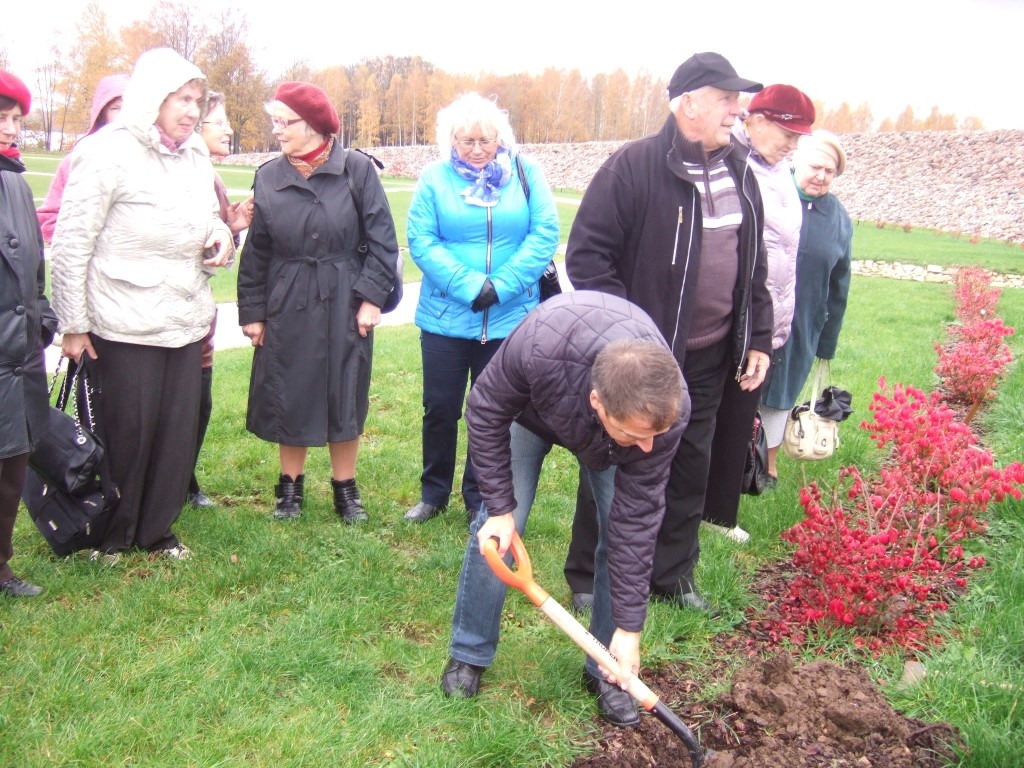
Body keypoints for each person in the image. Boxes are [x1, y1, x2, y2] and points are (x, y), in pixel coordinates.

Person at [563, 52, 771, 617]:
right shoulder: (631, 168)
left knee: (689, 464)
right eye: (726, 99)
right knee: (612, 458)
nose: (737, 109)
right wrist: (630, 336)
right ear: (688, 104)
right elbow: (587, 259)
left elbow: (753, 265)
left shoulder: (740, 170)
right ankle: (588, 571)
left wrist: (758, 334)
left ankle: (671, 574)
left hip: (708, 354)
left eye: (737, 100)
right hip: (643, 357)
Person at [441, 291, 688, 729]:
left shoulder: (664, 413)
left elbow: (636, 526)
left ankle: (609, 672)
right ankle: (469, 653)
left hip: (607, 425)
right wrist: (499, 507)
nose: (650, 448)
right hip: (532, 412)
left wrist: (630, 632)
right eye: (637, 434)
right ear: (598, 403)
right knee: (498, 530)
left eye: (656, 435)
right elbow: (484, 408)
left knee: (620, 534)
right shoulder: (540, 346)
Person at [50, 48, 235, 564]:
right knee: (126, 436)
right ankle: (113, 534)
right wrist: (72, 324)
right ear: (153, 97)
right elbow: (71, 243)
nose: (191, 111)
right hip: (122, 319)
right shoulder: (105, 152)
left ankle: (157, 532)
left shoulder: (195, 155)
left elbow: (209, 219)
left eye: (197, 100)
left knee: (175, 433)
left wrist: (220, 237)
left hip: (184, 316)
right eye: (181, 99)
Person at [238, 82, 400, 524]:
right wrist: (252, 311)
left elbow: (383, 242)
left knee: (344, 391)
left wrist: (371, 300)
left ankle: (345, 488)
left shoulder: (357, 169)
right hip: (286, 297)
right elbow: (257, 250)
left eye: (284, 122)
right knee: (288, 390)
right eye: (275, 121)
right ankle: (289, 487)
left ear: (312, 125)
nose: (277, 130)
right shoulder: (268, 175)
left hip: (344, 296)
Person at [404, 92, 559, 524]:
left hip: (510, 318)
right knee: (440, 407)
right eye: (465, 141)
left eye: (484, 141)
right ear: (450, 140)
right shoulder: (434, 179)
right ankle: (433, 492)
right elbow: (422, 239)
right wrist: (470, 286)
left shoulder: (527, 174)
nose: (475, 150)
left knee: (493, 412)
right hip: (446, 318)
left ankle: (479, 496)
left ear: (500, 138)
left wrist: (502, 287)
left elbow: (544, 232)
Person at [702, 84, 815, 544]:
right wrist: (753, 330)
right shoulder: (735, 161)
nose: (793, 144)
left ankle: (718, 512)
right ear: (758, 119)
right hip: (737, 318)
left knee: (738, 416)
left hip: (768, 320)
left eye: (799, 137)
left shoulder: (778, 169)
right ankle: (705, 511)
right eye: (788, 132)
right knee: (720, 417)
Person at [759, 131, 852, 477]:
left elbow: (839, 282)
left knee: (782, 393)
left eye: (830, 171)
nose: (821, 176)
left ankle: (767, 466)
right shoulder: (772, 194)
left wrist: (826, 341)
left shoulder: (838, 218)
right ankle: (729, 458)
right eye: (816, 166)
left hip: (803, 322)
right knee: (744, 388)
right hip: (759, 314)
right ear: (797, 160)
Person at [0, 70, 58, 597]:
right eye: (3, 117)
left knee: (11, 464)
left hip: (17, 356)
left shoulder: (16, 181)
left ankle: (1, 567)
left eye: (16, 118)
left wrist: (42, 314)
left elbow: (32, 265)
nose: (13, 127)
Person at [186, 91, 253, 510]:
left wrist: (232, 226)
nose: (229, 129)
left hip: (198, 314)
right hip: (168, 317)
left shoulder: (209, 175)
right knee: (183, 404)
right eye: (219, 122)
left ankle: (184, 481)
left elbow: (211, 253)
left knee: (199, 403)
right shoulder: (191, 174)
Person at [36, 74, 129, 244]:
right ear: (102, 114)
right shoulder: (77, 161)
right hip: (92, 266)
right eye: (117, 108)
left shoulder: (152, 162)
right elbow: (48, 218)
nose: (125, 116)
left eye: (131, 108)